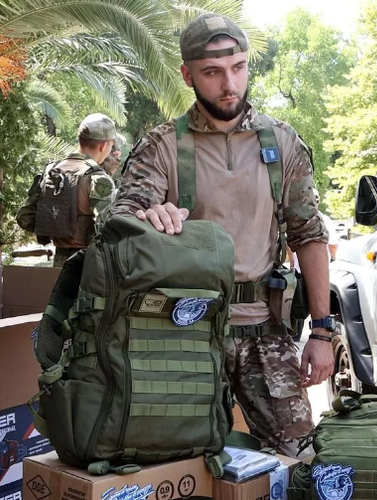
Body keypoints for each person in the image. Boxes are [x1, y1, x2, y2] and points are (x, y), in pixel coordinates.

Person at [108, 13, 334, 456]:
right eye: (212, 72)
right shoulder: (162, 146)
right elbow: (117, 225)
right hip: (181, 329)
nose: (229, 84)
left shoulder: (283, 143)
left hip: (265, 331)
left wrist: (322, 334)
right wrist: (149, 216)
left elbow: (309, 237)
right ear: (188, 74)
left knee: (298, 455)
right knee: (176, 458)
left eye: (239, 68)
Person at [16, 113, 116, 267]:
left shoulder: (51, 170)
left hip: (59, 259)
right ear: (103, 146)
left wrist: (55, 231)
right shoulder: (98, 179)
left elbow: (25, 217)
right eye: (111, 145)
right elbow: (107, 228)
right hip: (89, 263)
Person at [288, 188, 338, 339]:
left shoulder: (322, 219)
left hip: (314, 269)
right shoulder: (321, 218)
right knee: (301, 303)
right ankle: (300, 332)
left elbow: (333, 244)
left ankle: (312, 333)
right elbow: (333, 245)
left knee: (306, 303)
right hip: (307, 269)